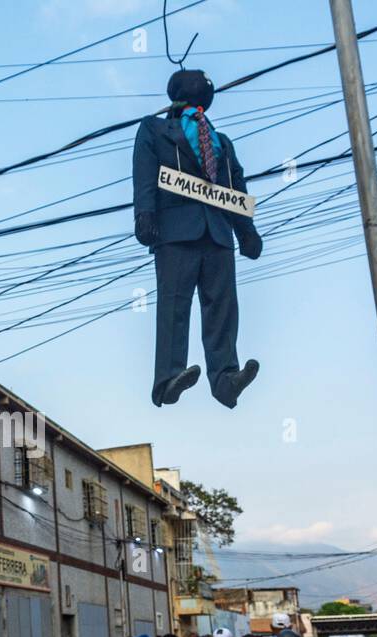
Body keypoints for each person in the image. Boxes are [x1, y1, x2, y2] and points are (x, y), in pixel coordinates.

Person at [132, 67, 263, 409]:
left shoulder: (221, 140)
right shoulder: (155, 129)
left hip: (218, 232)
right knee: (174, 304)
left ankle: (225, 379)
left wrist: (246, 232)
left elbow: (236, 186)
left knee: (223, 306)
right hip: (175, 232)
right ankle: (168, 378)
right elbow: (144, 174)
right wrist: (144, 214)